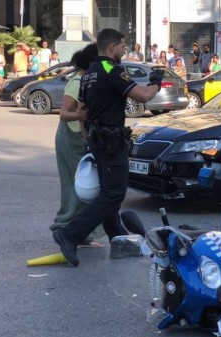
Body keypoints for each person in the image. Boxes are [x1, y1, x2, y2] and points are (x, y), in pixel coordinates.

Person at [51, 28, 162, 267]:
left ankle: (117, 236)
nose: (125, 50)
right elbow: (142, 96)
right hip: (111, 143)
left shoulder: (89, 73)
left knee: (107, 192)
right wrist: (155, 83)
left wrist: (89, 144)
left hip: (97, 141)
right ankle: (69, 234)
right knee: (114, 194)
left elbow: (84, 113)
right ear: (112, 47)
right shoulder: (111, 69)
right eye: (123, 46)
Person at [50, 43, 106, 247]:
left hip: (80, 138)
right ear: (92, 62)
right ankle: (66, 228)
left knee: (85, 187)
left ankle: (79, 232)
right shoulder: (77, 81)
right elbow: (64, 113)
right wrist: (79, 115)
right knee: (78, 187)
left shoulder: (88, 79)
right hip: (71, 138)